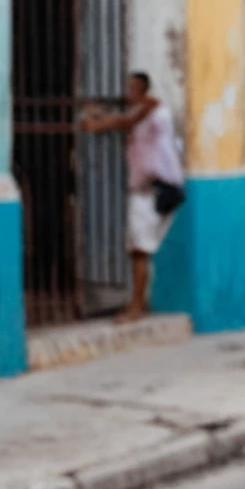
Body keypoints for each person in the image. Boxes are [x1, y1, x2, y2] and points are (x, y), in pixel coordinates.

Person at [83, 72, 183, 322]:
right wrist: (100, 117)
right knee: (140, 248)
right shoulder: (142, 117)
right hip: (151, 189)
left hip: (152, 191)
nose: (128, 94)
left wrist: (101, 124)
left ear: (141, 90)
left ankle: (136, 307)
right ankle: (138, 303)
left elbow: (130, 118)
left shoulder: (153, 109)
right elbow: (126, 120)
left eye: (131, 89)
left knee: (140, 250)